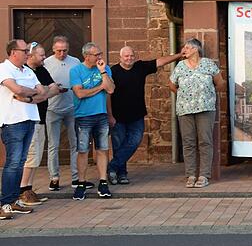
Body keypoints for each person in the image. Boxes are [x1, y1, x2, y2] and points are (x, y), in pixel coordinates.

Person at [107, 46, 182, 185]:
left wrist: (179, 55)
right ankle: (121, 174)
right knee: (118, 145)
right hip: (118, 117)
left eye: (131, 56)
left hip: (137, 116)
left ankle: (112, 166)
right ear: (120, 57)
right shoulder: (113, 72)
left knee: (134, 141)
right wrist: (110, 115)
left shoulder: (140, 67)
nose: (129, 58)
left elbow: (161, 62)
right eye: (126, 56)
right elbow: (107, 96)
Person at [0, 39, 58, 220]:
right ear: (13, 52)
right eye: (24, 51)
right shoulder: (4, 68)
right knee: (13, 163)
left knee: (21, 162)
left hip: (30, 119)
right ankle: (5, 204)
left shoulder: (27, 71)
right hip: (13, 122)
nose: (27, 54)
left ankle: (13, 199)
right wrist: (27, 90)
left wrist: (26, 97)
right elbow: (15, 88)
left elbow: (41, 91)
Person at [169, 38, 225, 188]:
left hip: (205, 108)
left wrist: (208, 95)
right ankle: (191, 175)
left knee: (205, 141)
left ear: (195, 49)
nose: (184, 50)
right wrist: (184, 96)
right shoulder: (180, 66)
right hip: (185, 109)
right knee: (188, 142)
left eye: (187, 48)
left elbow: (220, 83)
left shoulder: (208, 64)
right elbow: (172, 85)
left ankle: (204, 175)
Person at [70, 42, 115, 200]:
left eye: (100, 53)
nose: (100, 57)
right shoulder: (76, 70)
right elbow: (80, 94)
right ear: (86, 56)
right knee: (82, 151)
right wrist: (99, 88)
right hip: (83, 116)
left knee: (103, 149)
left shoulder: (105, 68)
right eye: (96, 55)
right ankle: (81, 184)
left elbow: (110, 89)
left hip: (101, 115)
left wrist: (103, 72)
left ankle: (103, 182)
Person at [44, 35, 88, 191]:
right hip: (52, 108)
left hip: (72, 107)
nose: (62, 54)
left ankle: (76, 178)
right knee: (53, 145)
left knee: (75, 143)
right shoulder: (46, 63)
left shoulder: (75, 61)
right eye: (59, 51)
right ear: (53, 49)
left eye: (65, 50)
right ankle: (54, 178)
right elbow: (41, 84)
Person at [18, 43, 59, 206]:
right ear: (30, 55)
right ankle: (22, 191)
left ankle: (28, 189)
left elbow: (54, 88)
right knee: (30, 156)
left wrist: (36, 97)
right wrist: (40, 94)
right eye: (41, 55)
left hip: (41, 118)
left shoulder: (41, 70)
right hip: (29, 119)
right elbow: (21, 94)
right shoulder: (25, 73)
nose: (44, 57)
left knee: (36, 157)